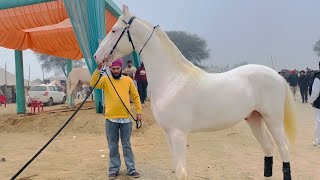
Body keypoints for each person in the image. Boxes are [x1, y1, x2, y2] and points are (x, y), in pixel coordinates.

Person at [90, 58, 142, 179]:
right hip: (111, 119)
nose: (115, 71)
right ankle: (114, 169)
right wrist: (98, 69)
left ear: (121, 68)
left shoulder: (128, 80)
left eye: (117, 68)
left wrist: (139, 112)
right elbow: (93, 83)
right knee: (113, 146)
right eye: (113, 69)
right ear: (110, 69)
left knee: (127, 145)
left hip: (126, 119)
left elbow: (135, 96)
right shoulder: (105, 80)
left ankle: (131, 169)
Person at [309, 63, 320, 147]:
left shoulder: (318, 78)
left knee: (318, 122)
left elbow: (315, 92)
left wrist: (311, 101)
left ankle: (318, 141)